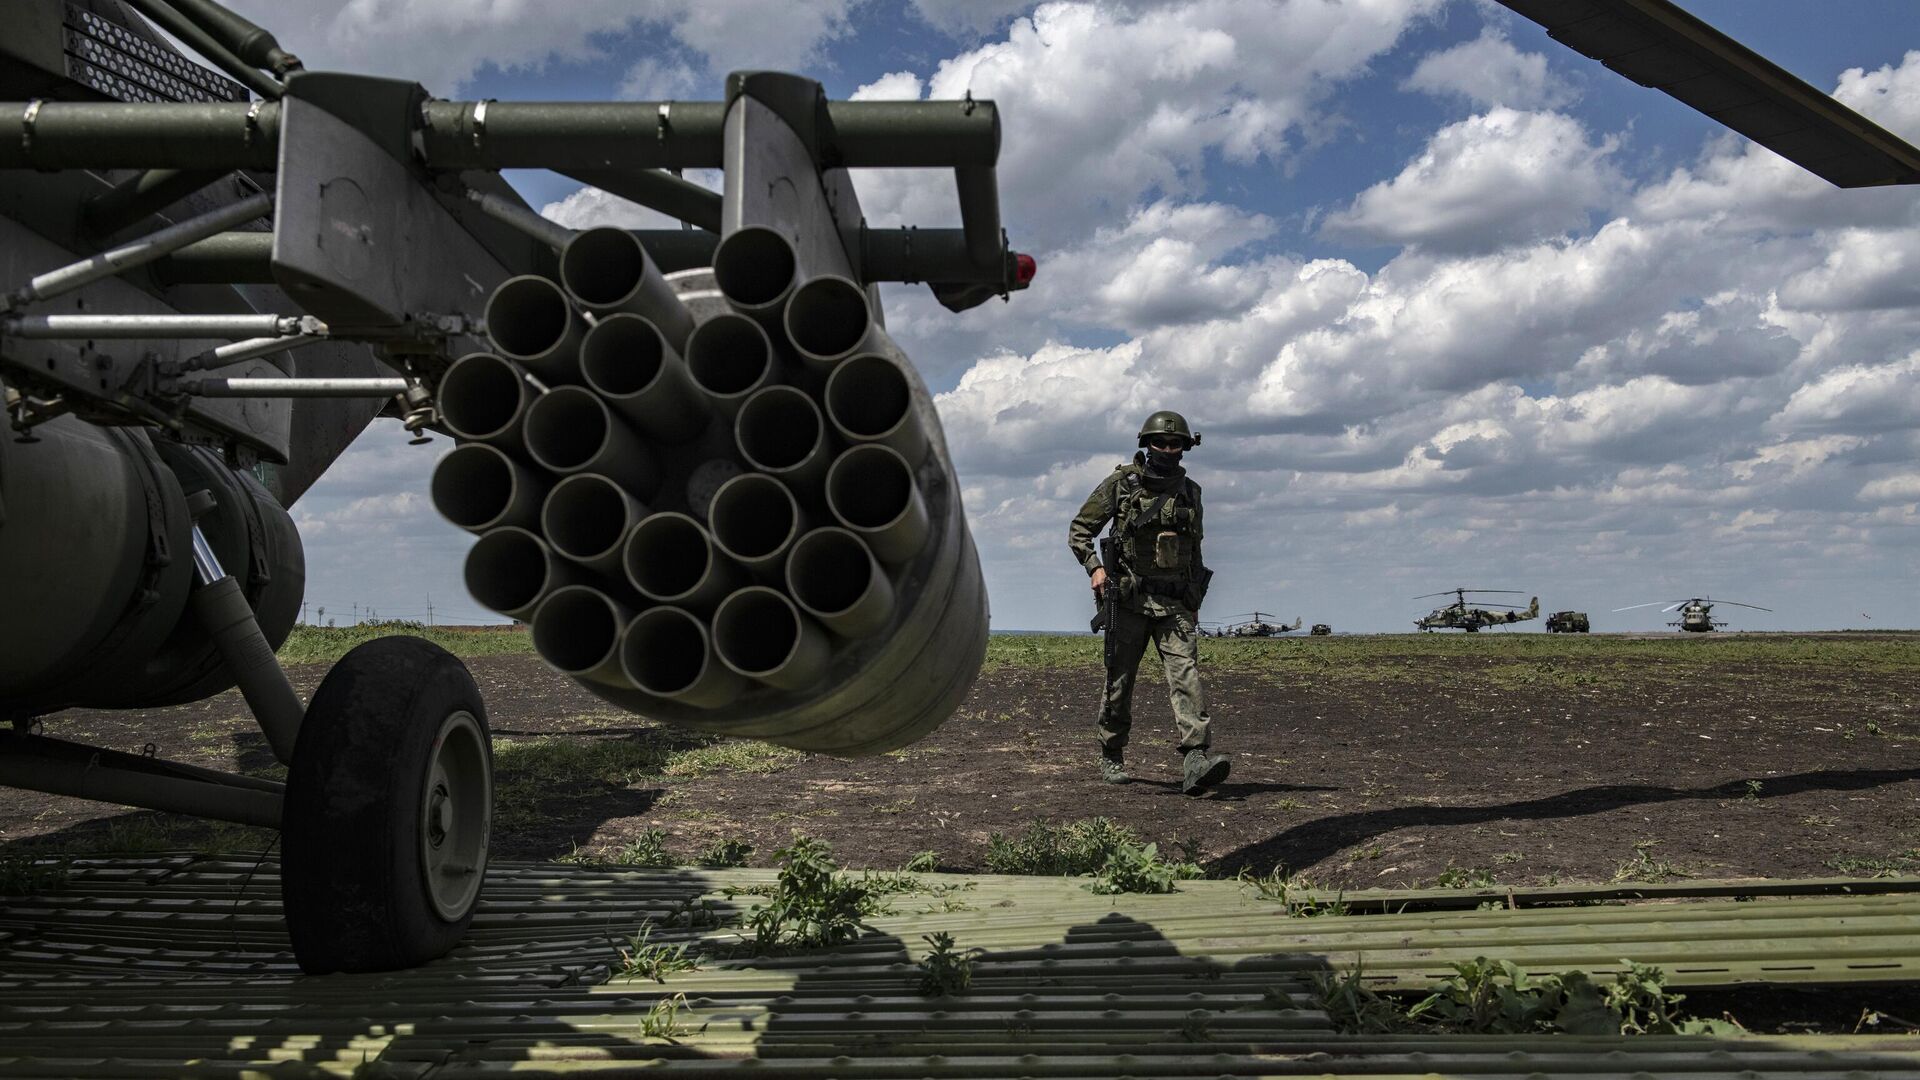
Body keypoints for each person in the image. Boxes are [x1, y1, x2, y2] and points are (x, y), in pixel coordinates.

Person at [1067, 410, 1230, 796]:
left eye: (1175, 444)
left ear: (1186, 447)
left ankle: (1195, 759)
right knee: (1120, 681)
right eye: (1161, 443)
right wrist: (1095, 568)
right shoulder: (1122, 484)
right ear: (1146, 444)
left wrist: (1195, 598)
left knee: (1186, 677)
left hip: (1174, 604)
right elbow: (1079, 530)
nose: (1168, 449)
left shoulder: (1191, 492)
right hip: (1128, 600)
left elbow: (1195, 551)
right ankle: (1111, 751)